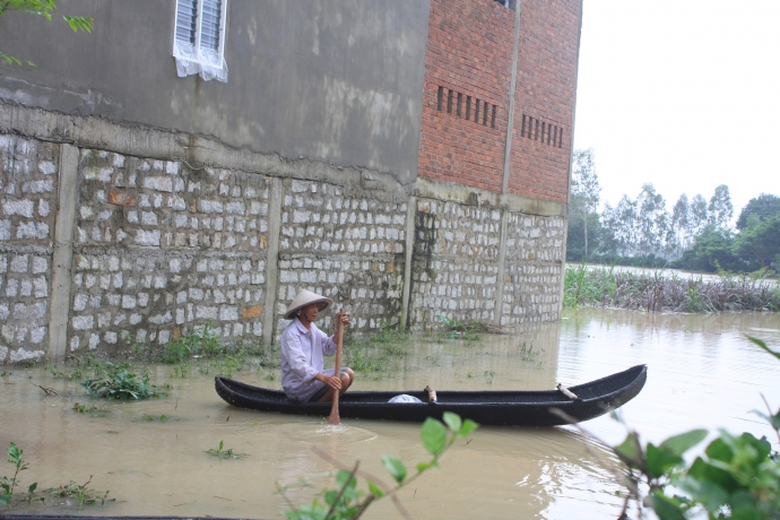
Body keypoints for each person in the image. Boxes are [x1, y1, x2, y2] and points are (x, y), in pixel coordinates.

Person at [280, 289, 355, 402]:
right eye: (312, 307)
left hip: (314, 381)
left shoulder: (313, 329)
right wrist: (324, 378)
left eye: (316, 307)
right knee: (343, 378)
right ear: (301, 311)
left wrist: (339, 328)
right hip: (298, 387)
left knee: (350, 373)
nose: (316, 311)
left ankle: (323, 402)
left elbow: (329, 346)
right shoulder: (291, 333)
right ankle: (317, 407)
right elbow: (298, 365)